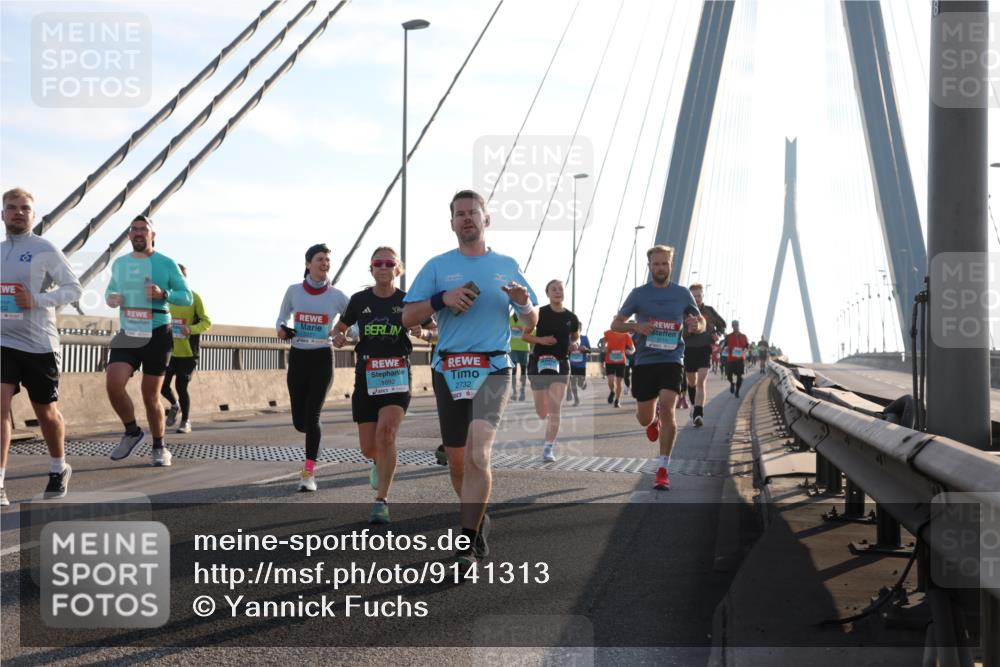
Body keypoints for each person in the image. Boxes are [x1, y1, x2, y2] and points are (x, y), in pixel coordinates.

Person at [402, 189, 537, 569]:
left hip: (493, 368)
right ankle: (477, 515)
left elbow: (531, 321)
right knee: (460, 464)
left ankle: (467, 541)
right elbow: (407, 319)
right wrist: (441, 299)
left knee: (479, 452)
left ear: (486, 219)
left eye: (472, 213)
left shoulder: (507, 265)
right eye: (459, 214)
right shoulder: (437, 267)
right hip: (449, 370)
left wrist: (524, 303)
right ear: (452, 224)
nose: (466, 219)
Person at [333, 247, 429, 523]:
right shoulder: (359, 300)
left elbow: (436, 331)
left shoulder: (410, 301)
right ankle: (378, 462)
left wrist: (424, 332)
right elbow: (340, 329)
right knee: (369, 447)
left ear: (398, 268)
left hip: (397, 376)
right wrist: (339, 337)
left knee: (386, 435)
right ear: (371, 268)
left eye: (389, 262)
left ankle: (381, 501)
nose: (383, 267)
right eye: (378, 263)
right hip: (366, 375)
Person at [0, 187, 82, 505]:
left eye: (25, 208)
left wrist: (37, 300)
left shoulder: (44, 248)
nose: (18, 212)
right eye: (12, 207)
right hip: (4, 341)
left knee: (46, 412)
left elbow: (73, 289)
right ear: (3, 213)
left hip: (38, 345)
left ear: (34, 215)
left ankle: (58, 468)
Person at [612, 245, 704, 491]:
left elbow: (701, 321)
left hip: (673, 359)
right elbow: (616, 324)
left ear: (671, 265)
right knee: (644, 418)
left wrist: (697, 324)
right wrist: (636, 328)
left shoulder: (682, 294)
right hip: (645, 361)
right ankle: (653, 422)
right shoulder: (638, 294)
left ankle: (663, 468)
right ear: (649, 266)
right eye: (656, 264)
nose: (660, 268)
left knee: (668, 408)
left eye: (665, 264)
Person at [106, 215, 192, 467]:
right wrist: (112, 298)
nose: (139, 232)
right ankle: (132, 431)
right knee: (114, 383)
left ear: (153, 235)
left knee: (150, 395)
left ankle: (159, 445)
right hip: (129, 331)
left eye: (144, 229)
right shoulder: (120, 263)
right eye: (134, 229)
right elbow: (110, 290)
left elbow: (185, 296)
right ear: (129, 235)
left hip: (157, 332)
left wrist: (163, 293)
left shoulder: (166, 263)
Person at [276, 243, 349, 492]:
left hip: (322, 359)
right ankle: (312, 435)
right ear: (308, 263)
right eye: (320, 259)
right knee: (300, 422)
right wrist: (282, 330)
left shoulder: (337, 296)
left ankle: (308, 472)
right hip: (298, 357)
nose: (324, 264)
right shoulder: (294, 291)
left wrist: (344, 334)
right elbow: (280, 319)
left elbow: (356, 321)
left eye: (327, 260)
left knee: (313, 415)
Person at [520, 279, 580, 462]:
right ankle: (546, 430)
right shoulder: (539, 313)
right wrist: (541, 340)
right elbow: (525, 335)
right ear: (547, 293)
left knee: (555, 407)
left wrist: (574, 345)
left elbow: (575, 339)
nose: (557, 292)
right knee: (541, 411)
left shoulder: (571, 317)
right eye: (553, 289)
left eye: (560, 289)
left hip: (561, 363)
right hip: (539, 362)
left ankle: (548, 448)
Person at [160, 263, 211, 434]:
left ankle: (186, 420)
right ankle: (175, 406)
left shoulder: (194, 297)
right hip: (168, 351)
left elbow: (207, 322)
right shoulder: (165, 298)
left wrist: (191, 329)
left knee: (181, 387)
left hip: (188, 353)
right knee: (162, 386)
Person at [682, 283, 726, 427]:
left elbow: (722, 325)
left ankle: (698, 413)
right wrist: (687, 330)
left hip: (704, 349)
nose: (697, 298)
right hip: (688, 349)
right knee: (692, 383)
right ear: (690, 296)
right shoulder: (683, 311)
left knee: (701, 382)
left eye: (699, 295)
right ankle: (694, 406)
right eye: (694, 296)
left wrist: (717, 334)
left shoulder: (709, 311)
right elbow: (677, 330)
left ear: (703, 295)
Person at [602, 328, 634, 408]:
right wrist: (604, 348)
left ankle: (617, 400)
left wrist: (630, 352)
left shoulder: (625, 334)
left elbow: (633, 348)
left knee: (619, 382)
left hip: (621, 361)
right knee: (611, 380)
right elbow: (603, 344)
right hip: (609, 361)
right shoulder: (607, 333)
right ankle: (612, 392)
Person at [508, 312, 531, 401]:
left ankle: (522, 392)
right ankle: (514, 392)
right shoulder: (508, 319)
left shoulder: (527, 319)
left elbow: (532, 331)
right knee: (513, 371)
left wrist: (523, 329)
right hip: (512, 348)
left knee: (523, 371)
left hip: (524, 348)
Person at [725, 321, 750, 397]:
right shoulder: (728, 336)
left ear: (738, 326)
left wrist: (745, 350)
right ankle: (732, 383)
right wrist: (726, 349)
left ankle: (737, 391)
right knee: (729, 376)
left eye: (736, 325)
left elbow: (747, 346)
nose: (735, 326)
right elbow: (725, 346)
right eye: (733, 325)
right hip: (731, 359)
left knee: (740, 376)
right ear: (732, 326)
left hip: (740, 359)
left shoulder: (744, 336)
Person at [566, 333, 590, 406]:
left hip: (581, 365)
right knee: (572, 382)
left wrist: (585, 349)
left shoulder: (584, 338)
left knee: (580, 384)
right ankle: (577, 400)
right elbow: (563, 350)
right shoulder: (568, 338)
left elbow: (590, 350)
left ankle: (583, 384)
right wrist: (569, 348)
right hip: (571, 364)